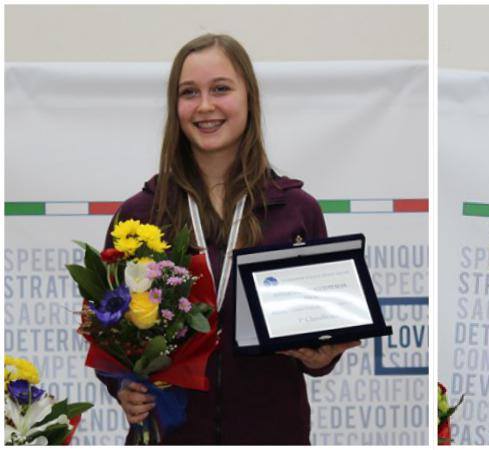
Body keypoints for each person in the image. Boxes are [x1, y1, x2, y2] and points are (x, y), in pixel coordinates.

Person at [95, 33, 358, 444]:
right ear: (175, 107)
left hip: (273, 434)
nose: (204, 106)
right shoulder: (139, 216)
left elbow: (317, 341)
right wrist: (122, 387)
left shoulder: (297, 211)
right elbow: (108, 329)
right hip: (169, 436)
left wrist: (320, 356)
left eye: (220, 89)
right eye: (189, 92)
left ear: (249, 97)